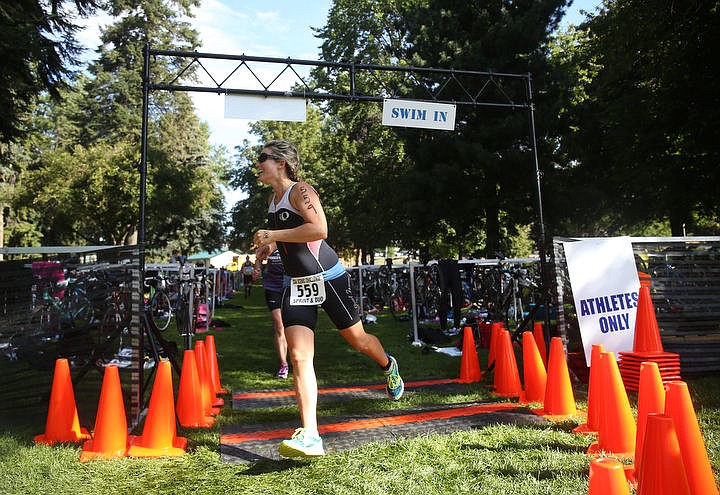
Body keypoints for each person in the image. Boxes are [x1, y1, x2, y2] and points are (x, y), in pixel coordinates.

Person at [252, 139, 404, 459]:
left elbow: (319, 229)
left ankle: (388, 365)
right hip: (296, 284)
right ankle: (310, 435)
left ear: (280, 162)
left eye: (262, 158)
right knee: (298, 356)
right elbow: (289, 240)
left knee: (359, 340)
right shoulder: (273, 199)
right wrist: (270, 247)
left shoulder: (300, 190)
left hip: (327, 278)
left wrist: (275, 236)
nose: (257, 163)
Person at [258, 248, 289, 379]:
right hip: (272, 287)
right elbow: (259, 259)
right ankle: (284, 364)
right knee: (279, 326)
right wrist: (257, 269)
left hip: (290, 285)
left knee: (293, 325)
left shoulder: (291, 240)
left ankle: (298, 357)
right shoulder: (268, 243)